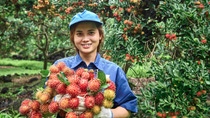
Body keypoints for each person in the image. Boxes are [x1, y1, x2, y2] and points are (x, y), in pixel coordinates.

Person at [53, 9, 138, 118]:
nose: (85, 39)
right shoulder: (60, 66)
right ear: (73, 37)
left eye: (91, 33)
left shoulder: (114, 71)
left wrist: (108, 114)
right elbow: (45, 100)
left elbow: (128, 107)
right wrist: (57, 101)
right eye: (79, 34)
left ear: (100, 35)